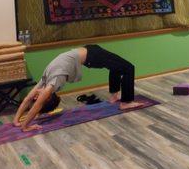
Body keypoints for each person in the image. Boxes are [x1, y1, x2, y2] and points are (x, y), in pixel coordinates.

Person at [13, 44, 142, 132]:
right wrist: (25, 127)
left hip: (90, 52)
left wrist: (16, 120)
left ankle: (115, 96)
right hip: (93, 55)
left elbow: (27, 99)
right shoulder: (54, 81)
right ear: (46, 98)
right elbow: (36, 106)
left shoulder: (45, 80)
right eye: (38, 97)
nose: (35, 95)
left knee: (116, 66)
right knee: (128, 67)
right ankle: (126, 102)